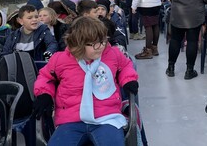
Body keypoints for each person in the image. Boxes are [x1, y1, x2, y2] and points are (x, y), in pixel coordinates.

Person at [32, 17, 139, 146]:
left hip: (106, 116)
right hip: (71, 118)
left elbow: (126, 66)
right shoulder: (60, 60)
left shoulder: (112, 54)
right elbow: (46, 77)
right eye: (94, 44)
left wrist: (128, 80)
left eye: (103, 41)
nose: (101, 47)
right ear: (79, 43)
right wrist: (44, 94)